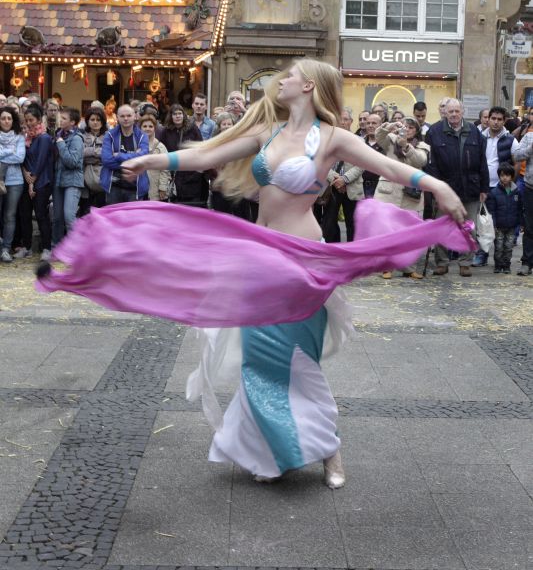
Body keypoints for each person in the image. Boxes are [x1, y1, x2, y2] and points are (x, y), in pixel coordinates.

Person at [120, 59, 465, 489]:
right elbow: (206, 155)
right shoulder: (269, 131)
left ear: (308, 87)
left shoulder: (333, 138)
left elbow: (389, 168)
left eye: (290, 77)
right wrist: (152, 161)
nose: (280, 81)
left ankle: (329, 449)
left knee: (299, 360)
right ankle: (274, 451)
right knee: (258, 359)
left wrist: (439, 186)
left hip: (302, 260)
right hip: (259, 258)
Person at [426, 98, 489, 276]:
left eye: (457, 111)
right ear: (445, 112)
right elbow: (431, 164)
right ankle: (442, 262)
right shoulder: (435, 131)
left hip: (470, 188)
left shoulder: (474, 132)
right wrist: (435, 187)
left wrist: (484, 188)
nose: (454, 114)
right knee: (441, 227)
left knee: (469, 227)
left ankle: (465, 262)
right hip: (445, 188)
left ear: (463, 112)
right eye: (450, 111)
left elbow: (482, 162)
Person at [374, 117, 430, 279]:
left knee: (410, 232)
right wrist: (390, 126)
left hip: (410, 195)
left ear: (417, 131)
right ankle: (387, 267)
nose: (407, 129)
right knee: (387, 230)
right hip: (388, 191)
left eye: (411, 127)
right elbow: (378, 136)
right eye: (405, 126)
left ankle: (408, 268)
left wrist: (405, 145)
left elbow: (420, 160)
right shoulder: (391, 140)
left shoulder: (422, 146)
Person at [473, 106, 519, 266]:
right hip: (483, 186)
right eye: (493, 118)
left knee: (499, 222)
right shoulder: (479, 137)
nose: (496, 122)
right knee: (483, 221)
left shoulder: (511, 140)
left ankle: (501, 259)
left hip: (501, 188)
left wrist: (510, 182)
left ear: (504, 121)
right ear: (488, 119)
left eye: (499, 119)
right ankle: (482, 254)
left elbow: (517, 162)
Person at [16, 103, 54, 260]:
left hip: (42, 181)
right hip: (27, 179)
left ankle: (46, 248)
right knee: (24, 214)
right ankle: (27, 247)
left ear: (39, 120)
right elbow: (22, 158)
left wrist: (32, 181)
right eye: (26, 120)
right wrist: (25, 173)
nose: (29, 123)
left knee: (40, 214)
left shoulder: (44, 138)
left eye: (31, 120)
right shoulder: (27, 138)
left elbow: (41, 161)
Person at [320, 108, 363, 243]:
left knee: (353, 223)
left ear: (351, 121)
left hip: (352, 186)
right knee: (329, 222)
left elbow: (362, 164)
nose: (342, 122)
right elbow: (320, 162)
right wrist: (335, 179)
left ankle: (352, 250)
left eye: (346, 119)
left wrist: (344, 179)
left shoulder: (359, 140)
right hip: (331, 186)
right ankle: (332, 249)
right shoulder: (326, 140)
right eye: (339, 119)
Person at [101, 104, 149, 204]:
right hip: (113, 187)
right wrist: (135, 158)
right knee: (113, 215)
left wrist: (119, 156)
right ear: (117, 117)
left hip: (135, 188)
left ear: (134, 116)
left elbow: (144, 158)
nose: (126, 118)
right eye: (122, 116)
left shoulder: (142, 136)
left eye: (129, 115)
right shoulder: (109, 135)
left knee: (134, 215)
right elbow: (106, 160)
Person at [161, 104, 206, 206]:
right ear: (171, 116)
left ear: (183, 115)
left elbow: (201, 148)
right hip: (173, 175)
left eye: (180, 113)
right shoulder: (166, 132)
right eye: (175, 114)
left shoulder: (192, 129)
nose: (178, 116)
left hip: (191, 176)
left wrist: (196, 174)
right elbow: (163, 152)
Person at [52, 108, 84, 246]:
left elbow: (72, 162)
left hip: (72, 181)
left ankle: (76, 248)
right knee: (57, 217)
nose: (60, 120)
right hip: (58, 180)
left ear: (73, 122)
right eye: (61, 117)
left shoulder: (77, 138)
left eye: (64, 118)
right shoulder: (58, 135)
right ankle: (56, 246)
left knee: (69, 216)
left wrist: (60, 144)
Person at [486, 163, 523, 274]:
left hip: (512, 226)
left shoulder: (517, 192)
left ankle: (506, 265)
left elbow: (520, 209)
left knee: (508, 247)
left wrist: (521, 223)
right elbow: (492, 211)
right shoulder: (494, 193)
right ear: (499, 176)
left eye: (507, 175)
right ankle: (498, 265)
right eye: (502, 175)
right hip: (499, 226)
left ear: (512, 176)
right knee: (498, 247)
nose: (505, 178)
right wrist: (493, 224)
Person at [0, 107, 26, 263]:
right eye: (3, 118)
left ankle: (6, 249)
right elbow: (14, 156)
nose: (6, 121)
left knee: (10, 216)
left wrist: (2, 154)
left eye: (9, 118)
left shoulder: (19, 137)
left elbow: (20, 158)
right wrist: (11, 151)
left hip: (15, 181)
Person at [512, 131, 533, 275]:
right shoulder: (529, 136)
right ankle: (527, 262)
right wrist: (530, 149)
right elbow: (517, 155)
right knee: (529, 227)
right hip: (530, 188)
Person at [79, 106, 107, 216]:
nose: (95, 122)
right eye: (92, 119)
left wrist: (89, 152)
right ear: (87, 121)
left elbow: (109, 155)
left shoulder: (108, 137)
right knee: (85, 212)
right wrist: (97, 152)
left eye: (98, 119)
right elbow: (80, 154)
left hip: (103, 179)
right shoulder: (81, 136)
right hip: (85, 181)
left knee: (101, 213)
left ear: (103, 121)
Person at [139, 113, 171, 201]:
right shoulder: (135, 145)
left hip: (155, 189)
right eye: (144, 126)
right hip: (138, 189)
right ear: (140, 128)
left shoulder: (160, 147)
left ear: (154, 128)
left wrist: (162, 187)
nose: (147, 129)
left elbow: (166, 168)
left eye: (150, 126)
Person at [361, 112, 384, 197]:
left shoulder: (387, 144)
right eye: (368, 123)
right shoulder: (359, 143)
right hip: (360, 188)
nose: (370, 126)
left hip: (380, 188)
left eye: (374, 123)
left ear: (380, 125)